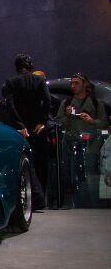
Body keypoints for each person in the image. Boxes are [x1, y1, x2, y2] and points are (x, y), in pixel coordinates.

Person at [1, 53, 51, 209]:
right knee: (41, 164)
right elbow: (48, 101)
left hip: (20, 130)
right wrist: (42, 121)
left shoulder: (11, 82)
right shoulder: (39, 81)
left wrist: (19, 125)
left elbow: (10, 105)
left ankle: (30, 200)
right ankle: (41, 199)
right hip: (37, 129)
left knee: (23, 164)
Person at [54, 73, 108, 207]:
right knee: (70, 176)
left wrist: (91, 121)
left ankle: (93, 204)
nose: (73, 86)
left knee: (91, 175)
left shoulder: (97, 103)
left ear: (85, 84)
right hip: (71, 145)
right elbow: (58, 123)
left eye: (76, 83)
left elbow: (104, 123)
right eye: (71, 83)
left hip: (91, 146)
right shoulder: (66, 104)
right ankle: (73, 203)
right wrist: (67, 116)